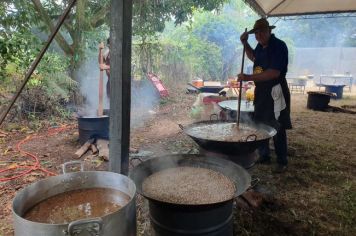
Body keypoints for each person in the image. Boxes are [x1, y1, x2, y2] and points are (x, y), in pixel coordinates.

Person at [237, 18, 292, 173]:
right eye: (256, 33)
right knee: (260, 123)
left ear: (269, 31)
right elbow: (254, 57)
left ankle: (282, 160)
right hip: (261, 92)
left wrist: (247, 77)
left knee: (277, 126)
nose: (259, 35)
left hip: (276, 91)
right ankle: (264, 156)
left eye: (262, 31)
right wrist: (245, 43)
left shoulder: (279, 46)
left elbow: (273, 73)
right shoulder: (260, 47)